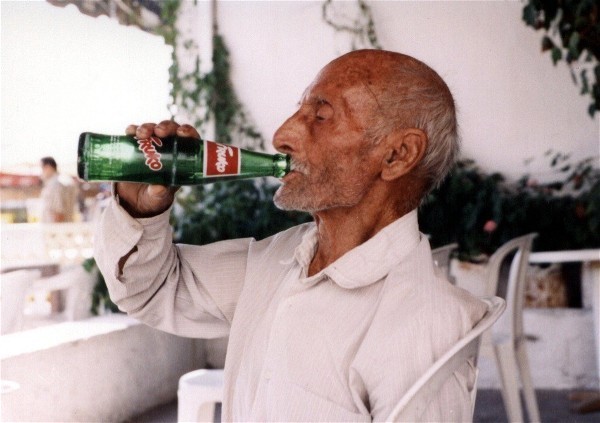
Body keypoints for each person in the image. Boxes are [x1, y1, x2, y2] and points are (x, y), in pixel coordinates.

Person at [95, 49, 487, 421]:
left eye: (322, 116)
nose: (281, 135)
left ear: (398, 155)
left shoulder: (423, 326)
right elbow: (153, 289)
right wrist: (141, 209)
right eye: (299, 110)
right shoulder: (278, 258)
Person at [40, 156, 78, 223]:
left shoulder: (55, 185)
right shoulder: (63, 180)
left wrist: (56, 228)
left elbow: (58, 213)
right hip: (64, 226)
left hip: (56, 227)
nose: (40, 172)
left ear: (48, 167)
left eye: (41, 168)